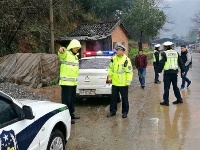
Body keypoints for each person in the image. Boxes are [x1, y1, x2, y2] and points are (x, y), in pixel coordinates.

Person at [58, 39, 81, 124]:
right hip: (66, 83)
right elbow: (61, 54)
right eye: (76, 47)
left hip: (73, 83)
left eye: (78, 48)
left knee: (72, 100)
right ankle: (67, 118)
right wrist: (61, 50)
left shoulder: (75, 56)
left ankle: (71, 114)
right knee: (66, 101)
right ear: (71, 47)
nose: (77, 49)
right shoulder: (66, 53)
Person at [107, 44, 133, 118]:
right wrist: (110, 78)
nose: (117, 51)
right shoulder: (113, 59)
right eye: (117, 50)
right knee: (113, 98)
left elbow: (129, 71)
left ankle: (125, 112)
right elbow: (111, 69)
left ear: (122, 51)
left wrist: (128, 82)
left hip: (123, 83)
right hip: (115, 82)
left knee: (124, 98)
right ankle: (112, 111)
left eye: (118, 50)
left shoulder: (126, 60)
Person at [158, 41, 185, 106]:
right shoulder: (176, 53)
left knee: (166, 87)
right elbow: (180, 62)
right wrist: (183, 70)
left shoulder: (164, 53)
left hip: (167, 73)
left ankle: (166, 101)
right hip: (175, 73)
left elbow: (162, 63)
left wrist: (159, 71)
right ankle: (179, 99)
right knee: (175, 86)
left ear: (166, 47)